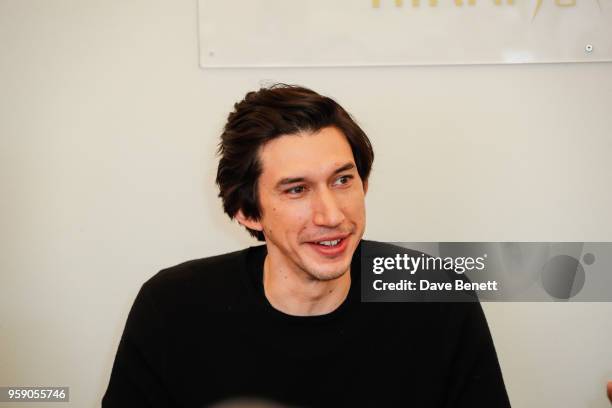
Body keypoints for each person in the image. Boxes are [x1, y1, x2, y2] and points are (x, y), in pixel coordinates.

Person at [102, 84, 511, 407]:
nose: (331, 215)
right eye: (297, 190)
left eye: (342, 180)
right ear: (248, 212)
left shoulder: (435, 297)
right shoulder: (172, 309)